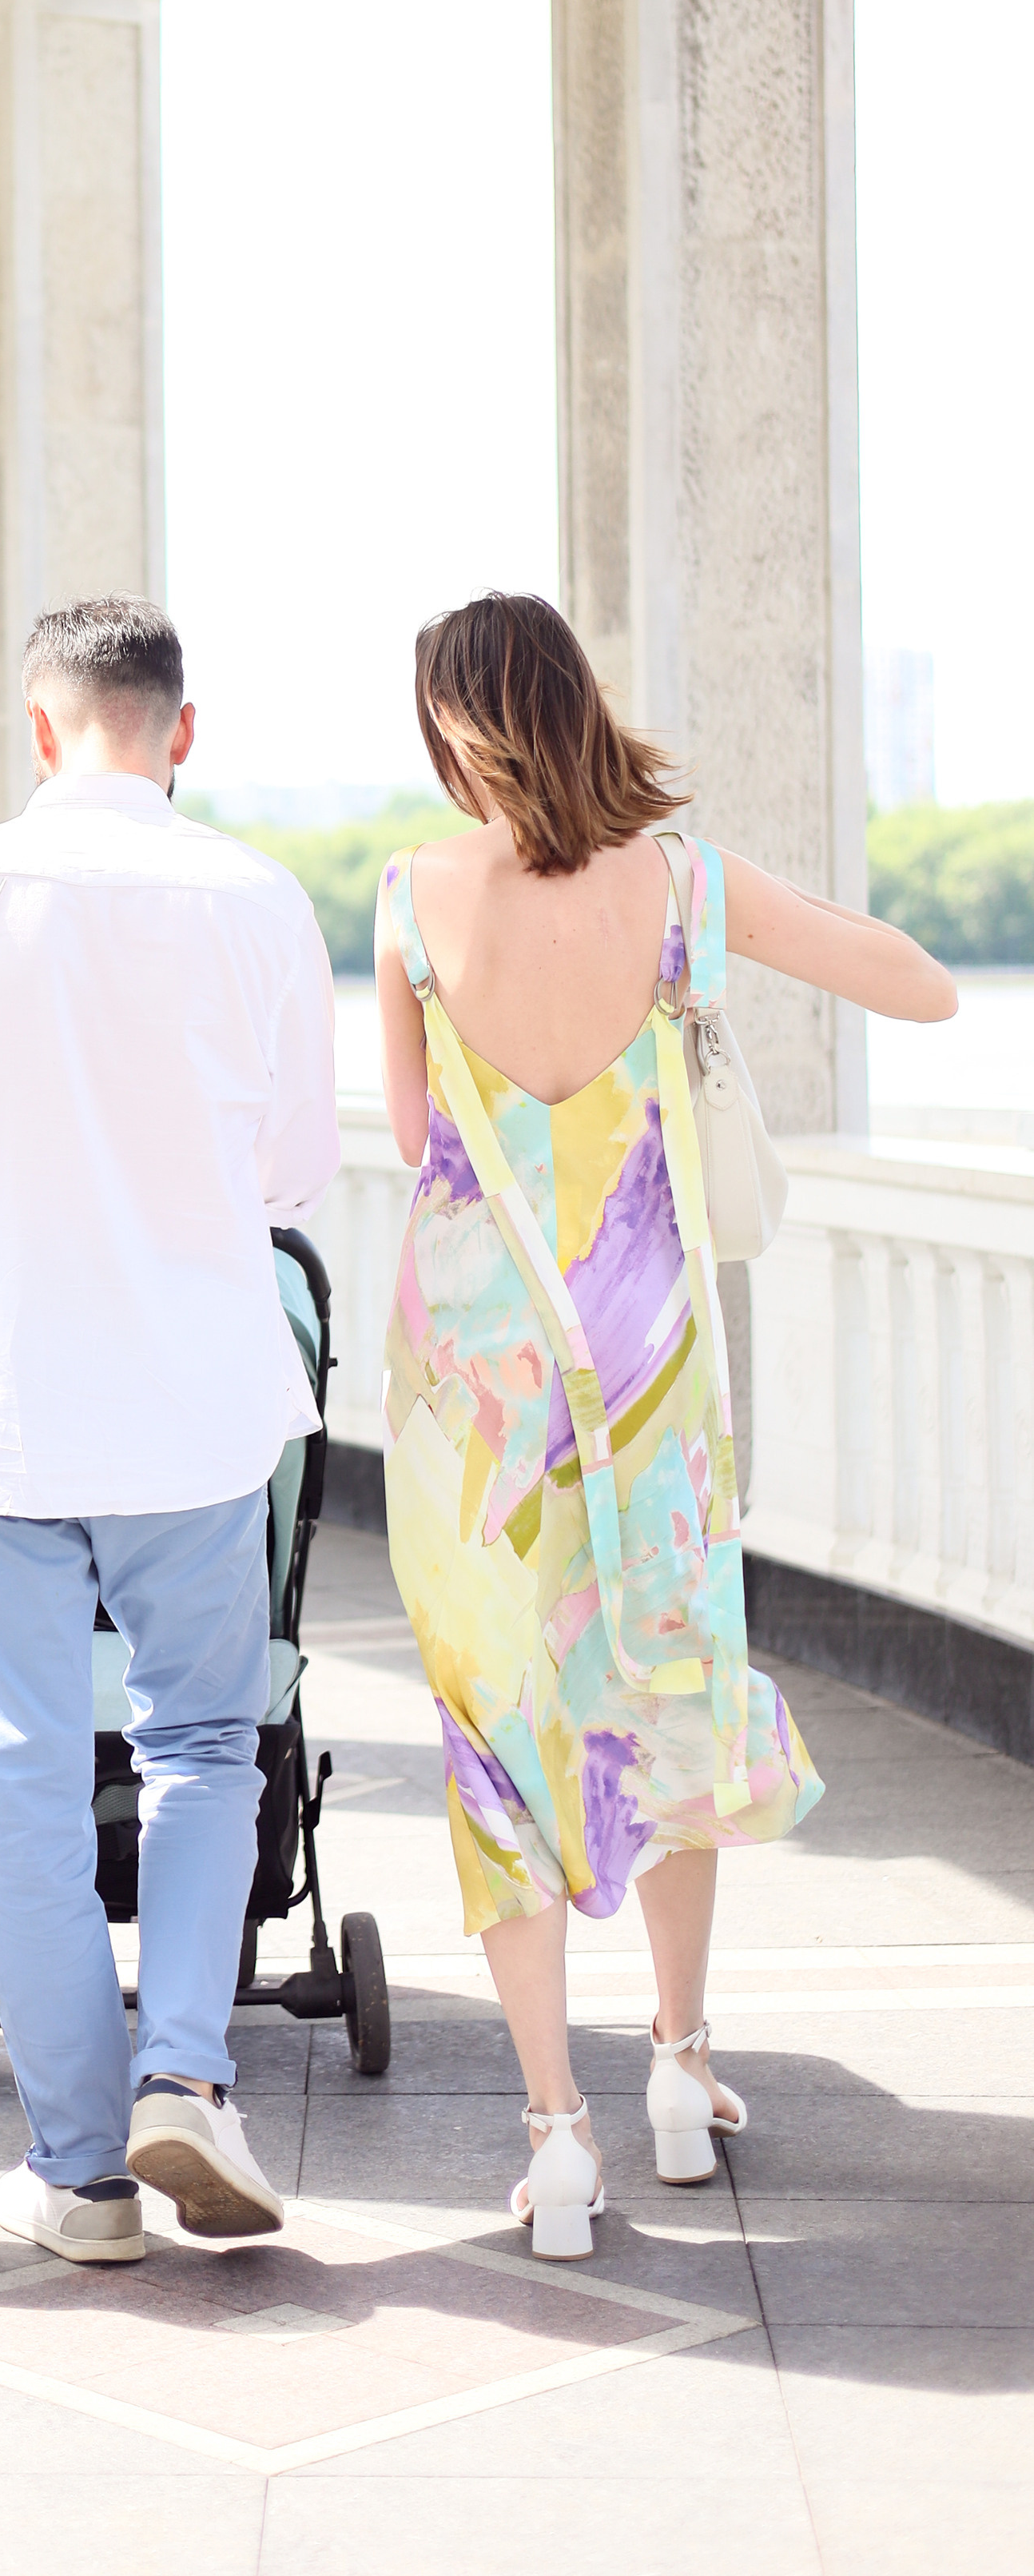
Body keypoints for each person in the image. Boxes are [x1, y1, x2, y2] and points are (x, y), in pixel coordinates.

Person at [374, 592, 958, 2259]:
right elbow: (919, 990)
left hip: (475, 1381)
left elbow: (422, 1136)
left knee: (503, 1726)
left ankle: (556, 2136)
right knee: (666, 1683)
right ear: (573, 698)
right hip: (644, 1362)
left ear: (451, 724)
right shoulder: (684, 882)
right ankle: (681, 2065)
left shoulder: (410, 898)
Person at [0, 596, 340, 2264]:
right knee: (200, 1742)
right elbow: (292, 1179)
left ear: (39, 730)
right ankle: (186, 2064)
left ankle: (80, 2172)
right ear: (182, 731)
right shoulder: (258, 899)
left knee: (21, 1774)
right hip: (192, 1406)